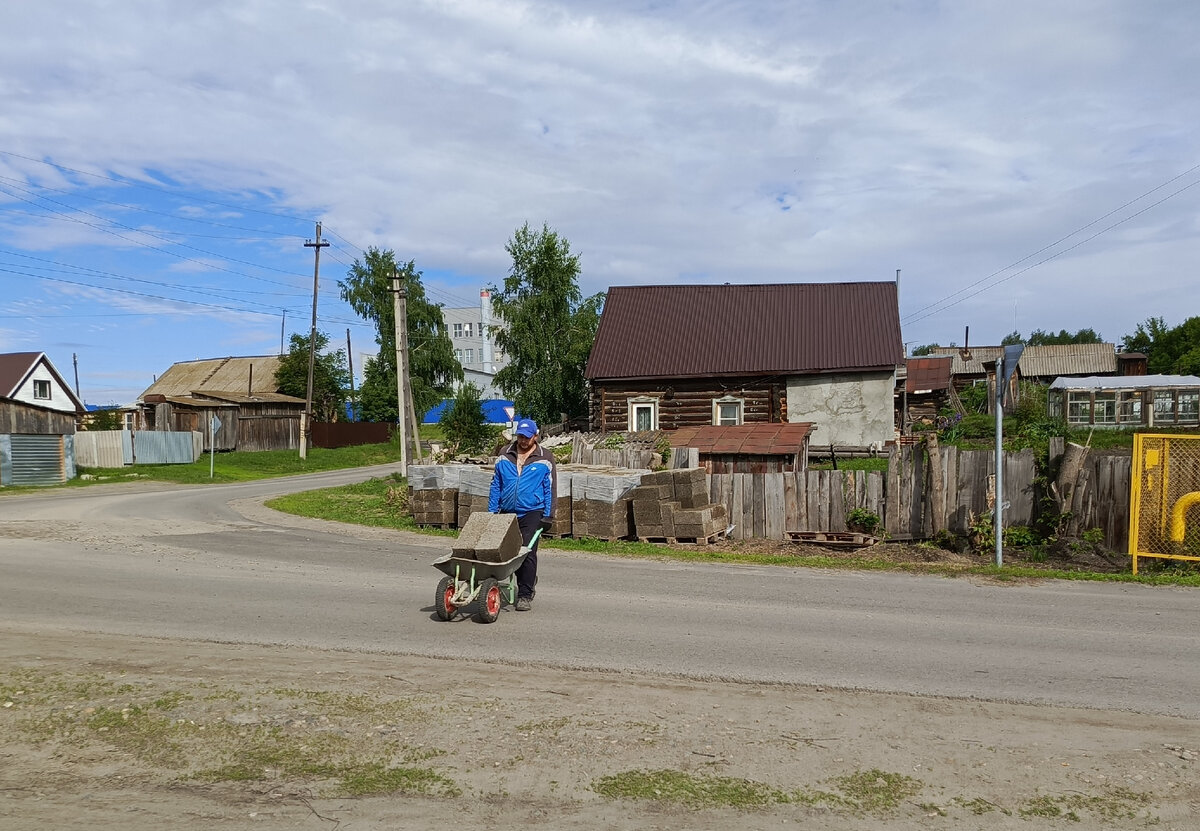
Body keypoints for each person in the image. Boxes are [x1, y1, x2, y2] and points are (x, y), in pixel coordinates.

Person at [489, 417, 557, 611]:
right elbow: (496, 484)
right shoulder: (504, 454)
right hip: (507, 510)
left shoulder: (545, 457)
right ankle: (514, 582)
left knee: (526, 550)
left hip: (532, 511)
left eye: (527, 437)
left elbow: (550, 487)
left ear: (535, 436)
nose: (523, 440)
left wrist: (548, 515)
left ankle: (525, 594)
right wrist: (492, 511)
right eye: (520, 436)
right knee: (504, 550)